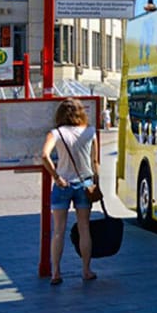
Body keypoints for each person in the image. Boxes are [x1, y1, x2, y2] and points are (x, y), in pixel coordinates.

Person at [40, 98, 99, 285]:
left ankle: (56, 272)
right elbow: (95, 161)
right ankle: (86, 270)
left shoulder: (56, 133)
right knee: (84, 228)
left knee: (58, 230)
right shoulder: (90, 132)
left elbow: (44, 156)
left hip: (62, 184)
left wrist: (56, 177)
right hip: (84, 184)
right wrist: (95, 182)